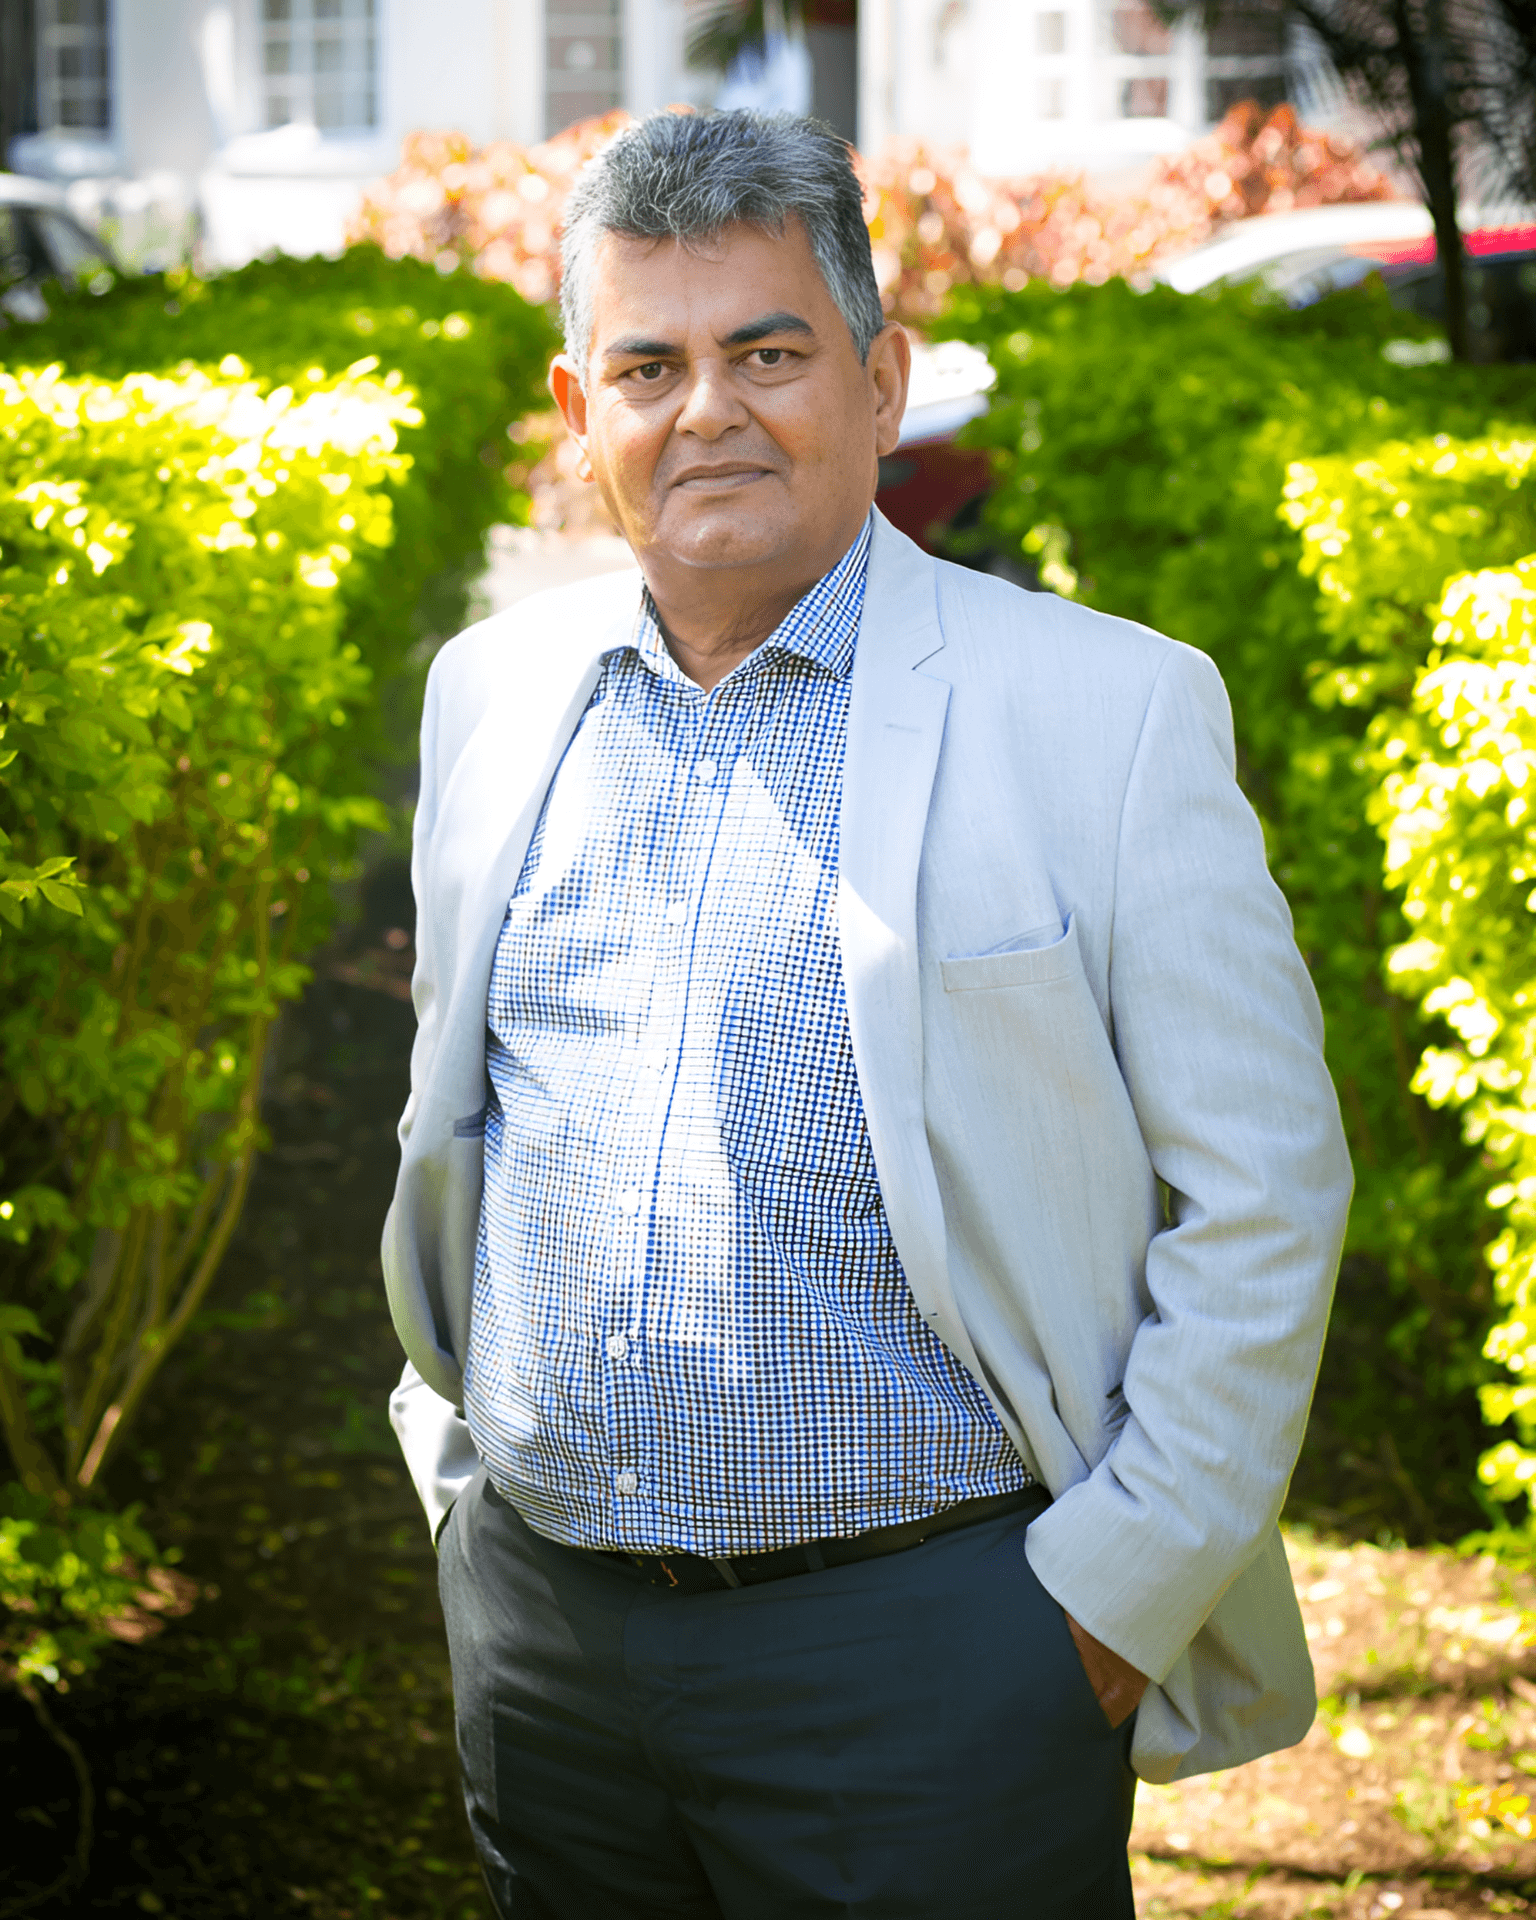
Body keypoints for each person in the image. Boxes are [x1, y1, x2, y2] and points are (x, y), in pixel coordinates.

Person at [382, 108, 1352, 1919]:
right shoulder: (492, 696)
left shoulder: (1106, 711)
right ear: (580, 407)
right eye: (648, 367)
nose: (707, 412)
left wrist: (1110, 1601)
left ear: (883, 380)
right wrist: (458, 1488)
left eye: (770, 353)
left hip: (940, 1668)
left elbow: (1266, 1193)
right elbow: (460, 1112)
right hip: (546, 1652)